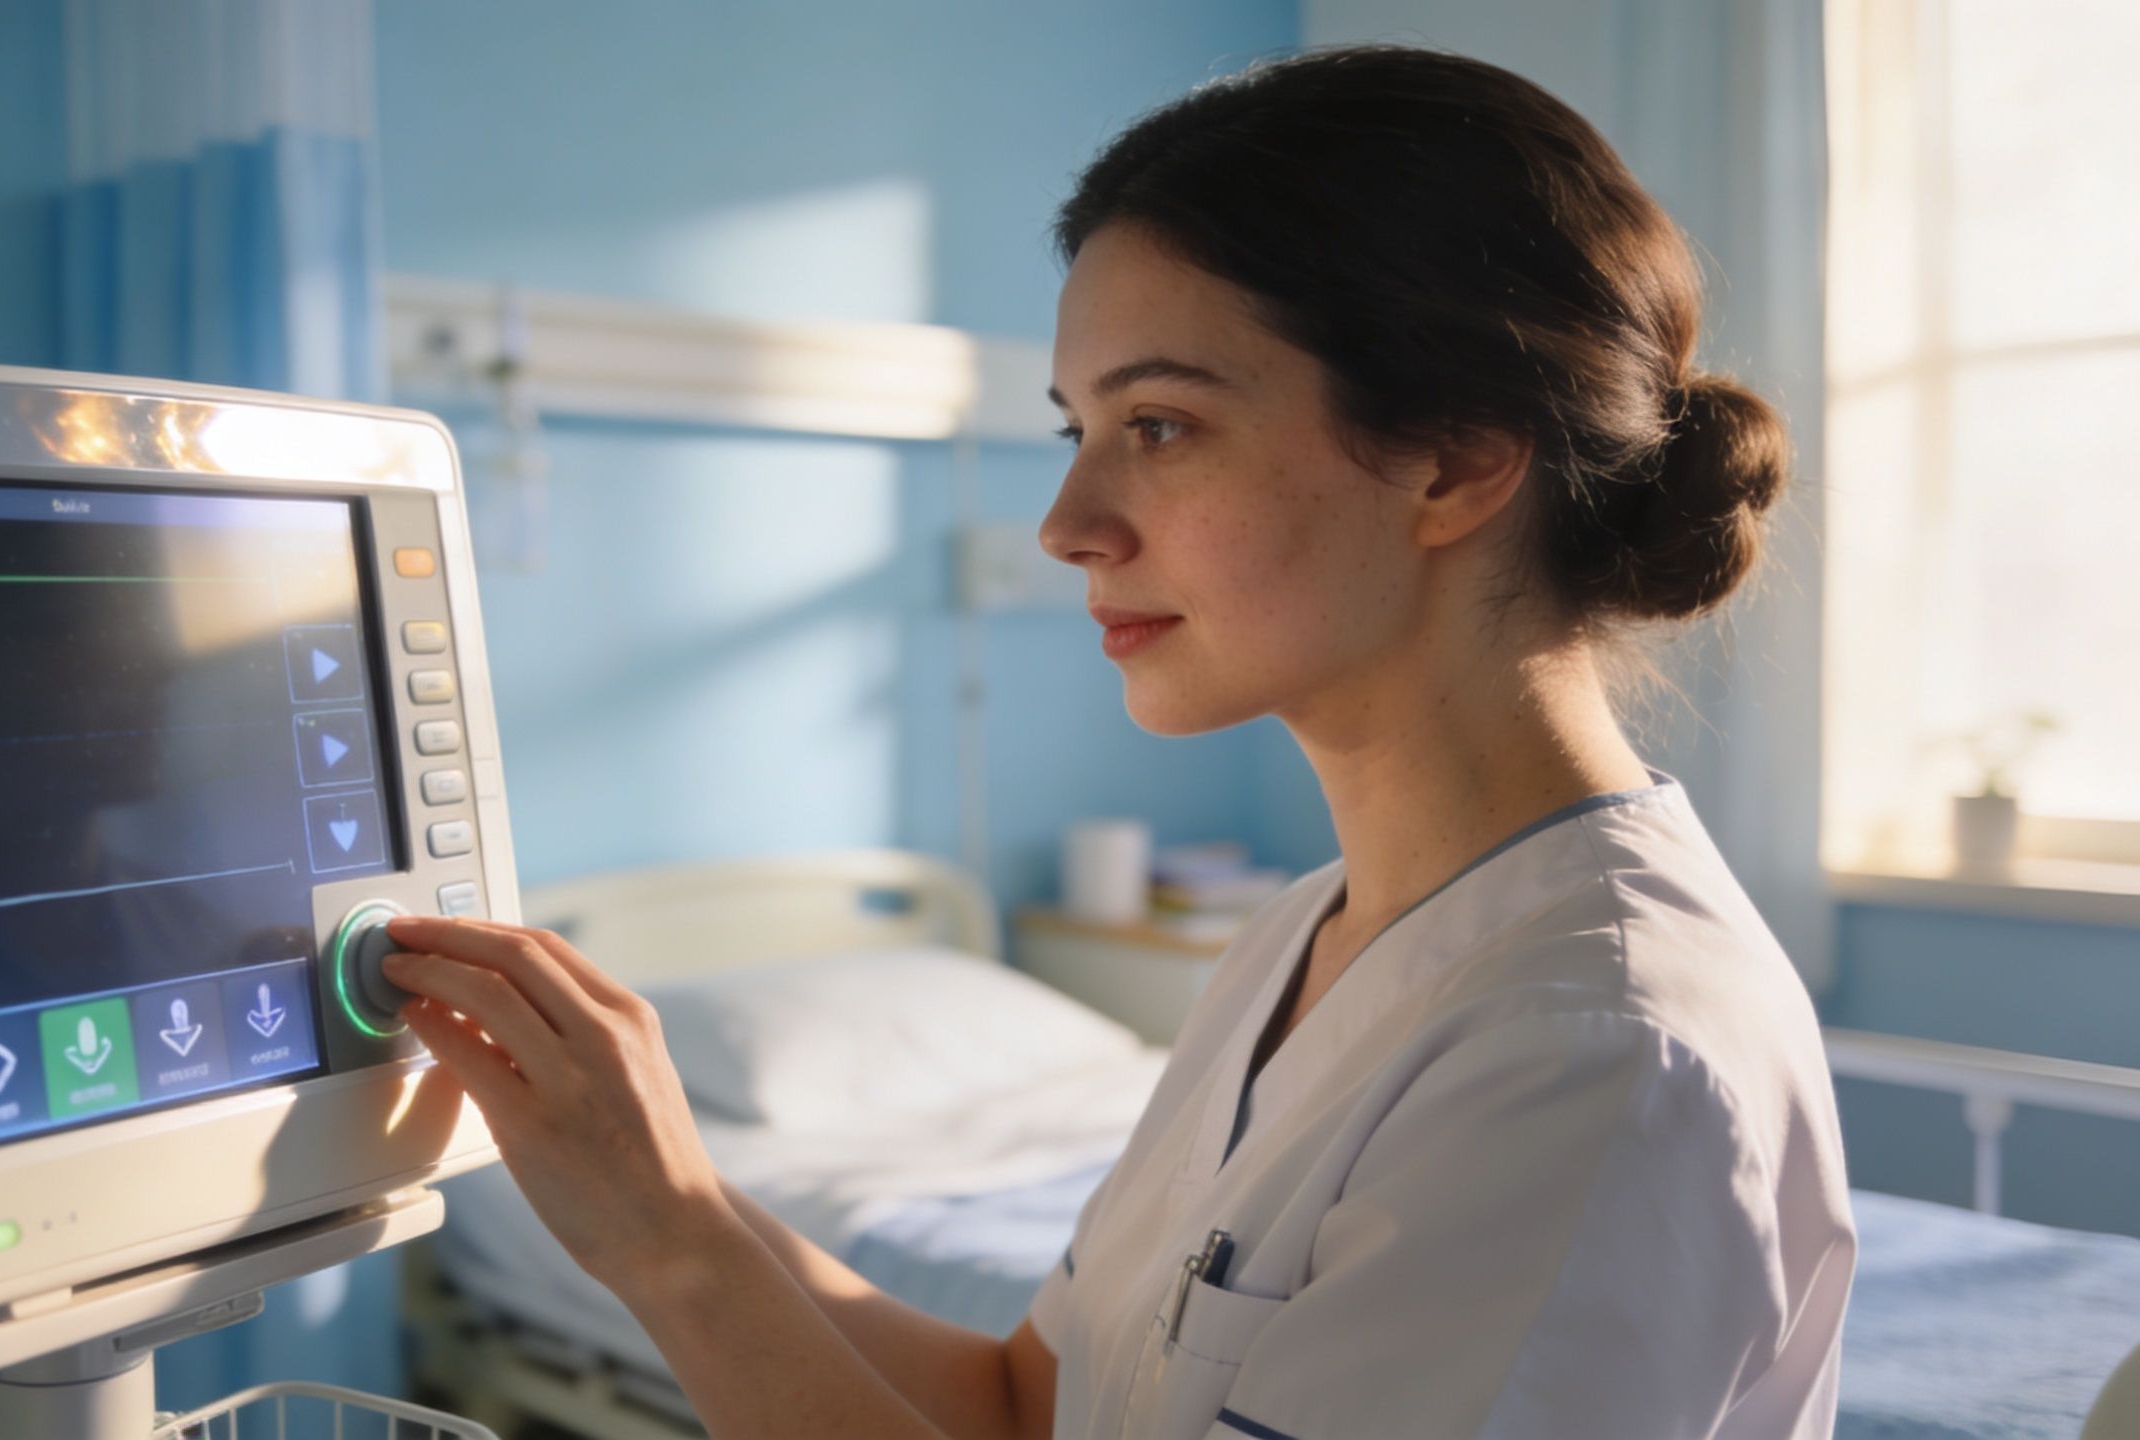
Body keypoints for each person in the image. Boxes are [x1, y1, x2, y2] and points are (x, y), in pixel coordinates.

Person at [378, 45, 1856, 1440]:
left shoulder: (1591, 1057)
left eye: (1157, 424)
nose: (1066, 528)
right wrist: (676, 1186)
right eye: (1072, 428)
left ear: (1454, 459)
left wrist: (678, 1257)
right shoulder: (1305, 944)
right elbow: (1028, 1407)